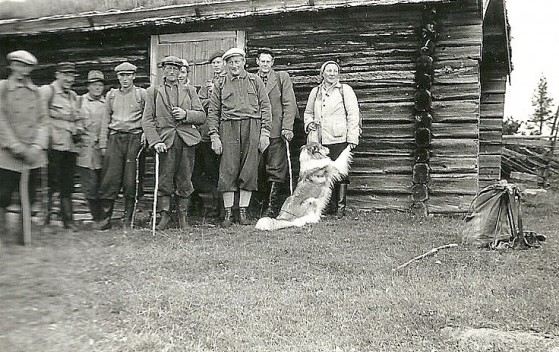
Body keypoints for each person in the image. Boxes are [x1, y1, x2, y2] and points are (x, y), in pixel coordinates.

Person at [207, 48, 272, 227]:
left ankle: (243, 211)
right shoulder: (220, 84)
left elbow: (266, 108)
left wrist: (265, 133)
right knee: (228, 168)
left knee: (249, 168)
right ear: (226, 65)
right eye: (230, 62)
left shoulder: (255, 80)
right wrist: (214, 136)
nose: (234, 65)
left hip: (252, 126)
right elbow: (213, 112)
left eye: (237, 61)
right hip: (228, 127)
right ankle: (228, 213)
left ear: (244, 62)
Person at [142, 55, 206, 230]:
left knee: (185, 179)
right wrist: (155, 141)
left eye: (175, 69)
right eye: (168, 68)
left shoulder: (190, 90)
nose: (171, 72)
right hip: (165, 141)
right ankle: (165, 216)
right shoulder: (153, 91)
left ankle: (183, 217)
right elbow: (147, 120)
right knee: (165, 178)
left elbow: (201, 116)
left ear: (180, 72)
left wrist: (186, 114)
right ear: (163, 70)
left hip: (186, 140)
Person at [0, 50, 48, 242]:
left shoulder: (36, 92)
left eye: (26, 66)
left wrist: (36, 146)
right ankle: (2, 232)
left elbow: (43, 122)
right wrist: (15, 146)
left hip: (31, 155)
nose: (22, 70)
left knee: (28, 196)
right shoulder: (2, 88)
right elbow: (0, 120)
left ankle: (23, 235)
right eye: (18, 65)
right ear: (11, 66)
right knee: (2, 194)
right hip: (7, 154)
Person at [303, 60, 360, 217]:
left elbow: (353, 113)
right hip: (319, 140)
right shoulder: (315, 92)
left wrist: (353, 137)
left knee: (340, 173)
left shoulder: (344, 90)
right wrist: (309, 124)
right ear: (322, 73)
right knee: (322, 174)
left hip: (339, 138)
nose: (332, 74)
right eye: (329, 71)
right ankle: (327, 206)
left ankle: (340, 208)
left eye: (335, 71)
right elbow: (308, 113)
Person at [97, 62, 147, 230]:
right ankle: (105, 218)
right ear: (118, 77)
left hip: (134, 138)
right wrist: (103, 143)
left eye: (128, 75)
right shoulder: (111, 96)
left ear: (134, 76)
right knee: (110, 179)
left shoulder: (142, 94)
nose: (125, 79)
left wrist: (145, 135)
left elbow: (148, 118)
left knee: (131, 180)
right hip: (115, 139)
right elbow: (105, 120)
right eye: (121, 76)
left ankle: (128, 218)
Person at [40, 61, 83, 231]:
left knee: (67, 184)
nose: (69, 79)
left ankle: (68, 220)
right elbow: (41, 117)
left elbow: (78, 118)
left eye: (71, 75)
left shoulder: (73, 96)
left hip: (70, 146)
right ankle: (46, 219)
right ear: (57, 74)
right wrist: (43, 143)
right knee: (50, 183)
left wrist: (78, 129)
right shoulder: (47, 91)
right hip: (52, 145)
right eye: (65, 74)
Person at [255, 48, 297, 218]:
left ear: (272, 63)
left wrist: (287, 127)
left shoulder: (281, 78)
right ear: (257, 62)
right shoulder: (251, 79)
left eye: (268, 61)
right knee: (256, 168)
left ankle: (271, 207)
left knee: (276, 168)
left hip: (276, 130)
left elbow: (289, 103)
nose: (265, 64)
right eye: (262, 61)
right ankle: (258, 205)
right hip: (256, 131)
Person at [194, 49, 225, 218]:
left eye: (219, 62)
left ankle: (225, 208)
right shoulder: (208, 84)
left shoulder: (228, 81)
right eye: (214, 63)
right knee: (211, 171)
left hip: (226, 133)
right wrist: (212, 95)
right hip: (208, 134)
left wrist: (216, 94)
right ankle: (214, 205)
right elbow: (200, 104)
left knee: (225, 170)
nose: (216, 66)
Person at [76, 70, 106, 229]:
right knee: (89, 187)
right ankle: (96, 218)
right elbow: (74, 120)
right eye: (94, 84)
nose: (97, 88)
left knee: (102, 185)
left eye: (100, 85)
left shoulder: (107, 103)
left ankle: (103, 219)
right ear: (88, 86)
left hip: (102, 151)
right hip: (85, 150)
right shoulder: (80, 101)